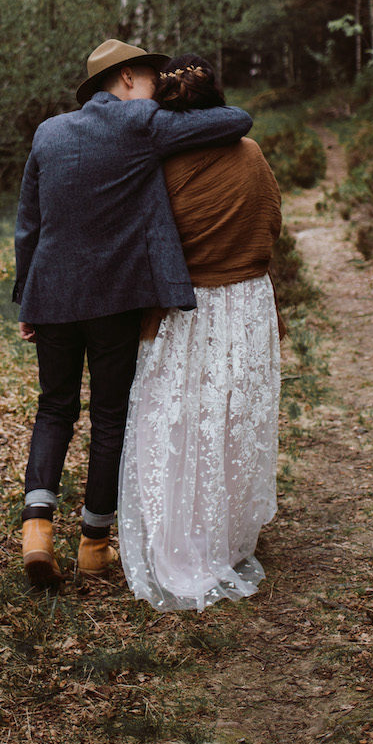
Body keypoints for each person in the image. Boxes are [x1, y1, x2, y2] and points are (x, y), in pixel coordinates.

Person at [13, 38, 254, 588]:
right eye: (150, 76)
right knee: (108, 419)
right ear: (125, 78)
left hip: (50, 298)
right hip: (112, 300)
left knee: (54, 410)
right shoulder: (141, 122)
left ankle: (36, 532)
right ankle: (94, 546)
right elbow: (235, 120)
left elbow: (28, 224)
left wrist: (26, 296)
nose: (158, 88)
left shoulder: (48, 132)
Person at [118, 54, 282, 612]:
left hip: (186, 308)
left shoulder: (155, 164)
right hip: (248, 302)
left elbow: (145, 242)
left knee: (174, 416)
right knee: (234, 419)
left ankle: (179, 537)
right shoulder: (252, 154)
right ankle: (227, 538)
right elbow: (272, 220)